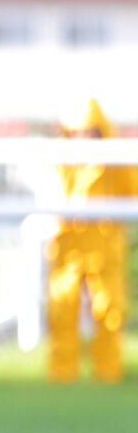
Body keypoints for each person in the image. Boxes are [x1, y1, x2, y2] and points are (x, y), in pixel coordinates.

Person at [47, 97, 131, 384]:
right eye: (77, 134)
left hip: (104, 247)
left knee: (110, 313)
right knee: (61, 311)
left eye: (89, 133)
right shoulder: (60, 163)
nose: (83, 140)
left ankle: (108, 375)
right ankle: (62, 377)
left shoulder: (115, 162)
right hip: (67, 247)